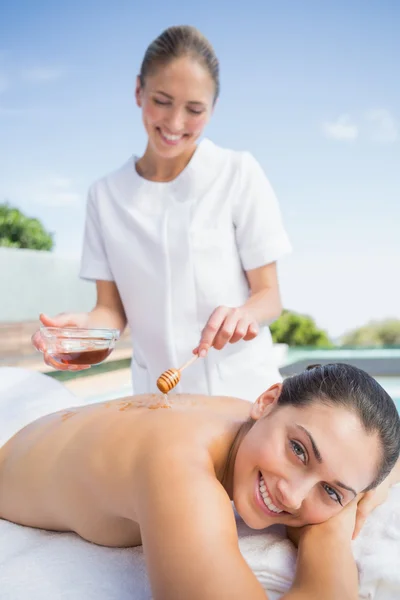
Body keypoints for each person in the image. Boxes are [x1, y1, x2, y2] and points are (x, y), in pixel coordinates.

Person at [33, 24, 292, 399]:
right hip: (157, 399)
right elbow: (111, 311)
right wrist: (87, 330)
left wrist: (245, 315)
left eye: (194, 109)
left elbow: (269, 296)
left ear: (213, 108)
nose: (174, 123)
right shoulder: (105, 196)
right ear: (138, 90)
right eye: (162, 100)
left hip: (245, 393)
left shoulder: (238, 173)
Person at [1, 363, 399, 600]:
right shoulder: (177, 466)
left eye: (330, 491)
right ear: (266, 400)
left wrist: (347, 500)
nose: (293, 495)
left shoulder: (252, 422)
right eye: (298, 451)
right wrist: (331, 532)